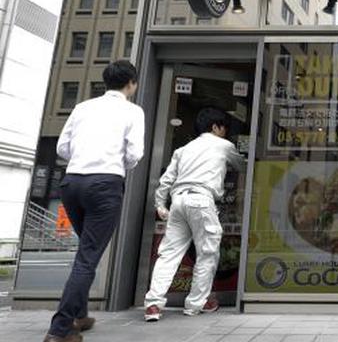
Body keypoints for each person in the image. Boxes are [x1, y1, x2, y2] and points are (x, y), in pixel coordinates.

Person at [45, 60, 145, 342]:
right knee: (88, 257)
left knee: (86, 251)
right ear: (131, 83)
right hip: (104, 184)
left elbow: (62, 147)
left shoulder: (82, 107)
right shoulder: (132, 111)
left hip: (72, 182)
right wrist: (114, 164)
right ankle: (60, 329)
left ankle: (79, 314)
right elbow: (135, 153)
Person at [144, 107, 244, 322]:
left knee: (169, 254)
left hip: (178, 200)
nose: (225, 132)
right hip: (202, 200)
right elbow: (243, 165)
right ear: (216, 127)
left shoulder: (183, 149)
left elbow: (166, 181)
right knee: (207, 253)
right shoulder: (224, 145)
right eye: (223, 128)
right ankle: (197, 303)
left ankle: (153, 304)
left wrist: (161, 205)